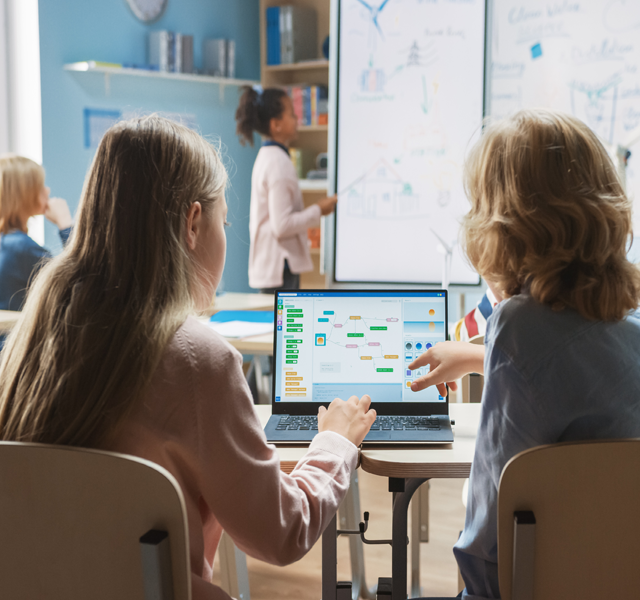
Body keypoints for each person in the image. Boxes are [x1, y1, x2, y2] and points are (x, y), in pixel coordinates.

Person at [0, 115, 376, 600]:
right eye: (224, 221)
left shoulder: (29, 342)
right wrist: (333, 445)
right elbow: (281, 533)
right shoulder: (199, 360)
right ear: (193, 223)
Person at [408, 109, 640, 600]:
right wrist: (480, 356)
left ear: (500, 224)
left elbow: (486, 546)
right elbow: (577, 368)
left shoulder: (518, 325)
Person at [236, 86, 337, 292]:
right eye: (291, 114)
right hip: (281, 267)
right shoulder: (278, 162)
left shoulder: (268, 157)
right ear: (276, 125)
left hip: (274, 268)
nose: (297, 119)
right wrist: (319, 209)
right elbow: (282, 225)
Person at [0, 154, 73, 310]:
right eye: (40, 187)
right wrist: (65, 224)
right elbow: (75, 285)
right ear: (24, 194)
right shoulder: (21, 248)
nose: (47, 190)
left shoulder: (6, 244)